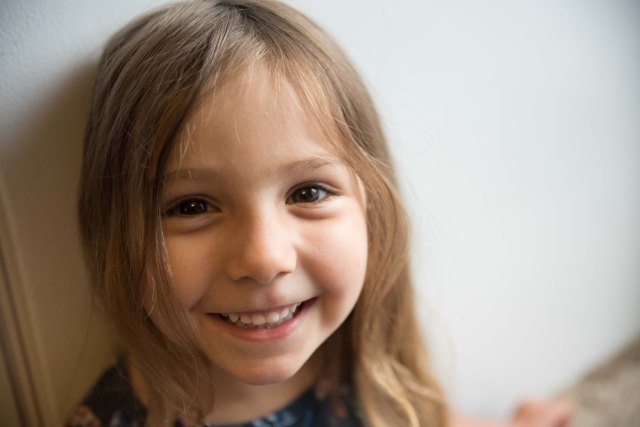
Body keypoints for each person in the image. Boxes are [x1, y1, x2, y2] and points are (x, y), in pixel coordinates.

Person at [68, 1, 572, 426]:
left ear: (370, 206)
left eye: (307, 193)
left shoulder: (358, 360)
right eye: (192, 206)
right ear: (116, 236)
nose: (265, 259)